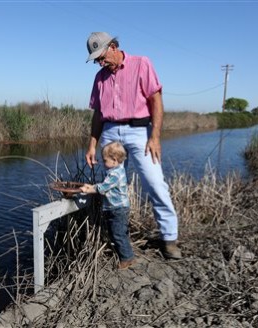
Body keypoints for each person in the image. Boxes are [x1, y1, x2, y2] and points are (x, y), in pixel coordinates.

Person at [84, 31, 181, 259]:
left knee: (156, 185)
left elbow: (155, 100)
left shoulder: (141, 63)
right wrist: (91, 145)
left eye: (101, 56)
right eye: (96, 59)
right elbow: (98, 114)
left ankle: (169, 240)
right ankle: (119, 241)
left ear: (114, 47)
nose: (99, 62)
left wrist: (155, 137)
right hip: (109, 133)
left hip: (139, 132)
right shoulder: (100, 78)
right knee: (113, 188)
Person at [80, 141, 135, 270]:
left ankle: (127, 258)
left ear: (114, 160)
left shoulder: (115, 174)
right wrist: (92, 186)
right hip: (115, 208)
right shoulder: (116, 171)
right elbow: (104, 186)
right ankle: (127, 254)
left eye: (105, 160)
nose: (103, 163)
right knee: (119, 233)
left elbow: (104, 187)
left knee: (118, 234)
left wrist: (89, 189)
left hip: (118, 209)